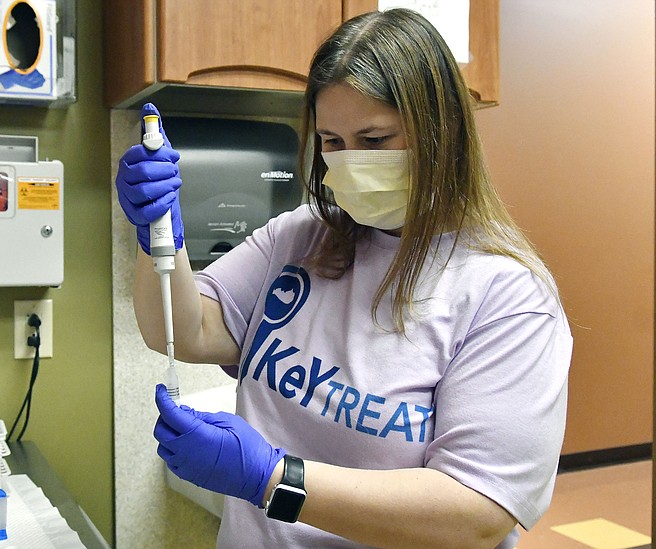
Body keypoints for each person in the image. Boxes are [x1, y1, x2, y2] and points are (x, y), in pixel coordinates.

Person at [116, 8, 572, 549]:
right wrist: (158, 235)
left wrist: (273, 480)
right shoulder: (301, 236)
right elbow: (189, 331)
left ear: (441, 132)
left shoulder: (507, 298)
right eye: (332, 141)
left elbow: (475, 515)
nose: (351, 162)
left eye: (375, 139)